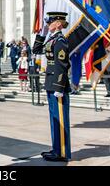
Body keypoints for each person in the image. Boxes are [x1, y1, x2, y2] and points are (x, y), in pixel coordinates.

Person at [33, 12, 71, 162]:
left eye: (51, 22)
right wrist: (41, 34)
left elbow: (62, 65)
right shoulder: (52, 39)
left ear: (59, 23)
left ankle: (62, 152)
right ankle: (56, 149)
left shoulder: (61, 40)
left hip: (57, 84)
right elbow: (36, 50)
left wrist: (59, 87)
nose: (49, 24)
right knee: (54, 118)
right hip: (51, 81)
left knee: (60, 119)